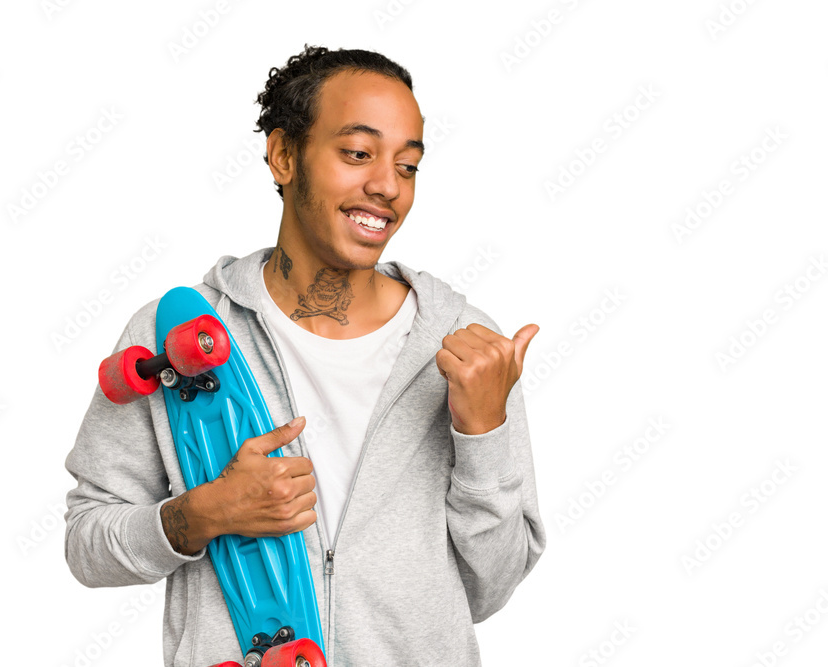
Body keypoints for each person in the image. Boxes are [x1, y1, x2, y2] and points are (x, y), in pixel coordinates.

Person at [64, 44, 546, 667]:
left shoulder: (466, 345)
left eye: (408, 166)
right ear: (284, 155)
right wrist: (203, 514)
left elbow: (491, 587)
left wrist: (483, 432)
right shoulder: (173, 333)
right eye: (358, 153)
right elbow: (87, 545)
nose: (387, 186)